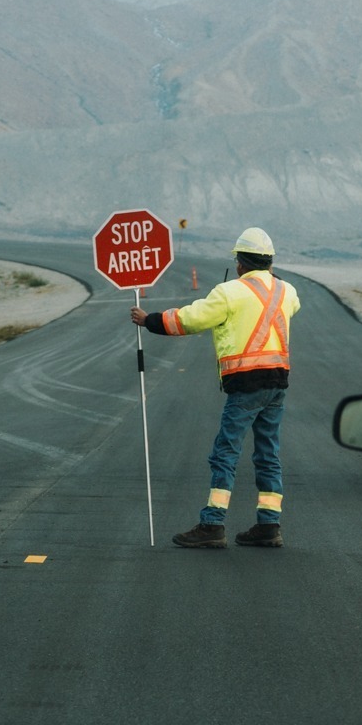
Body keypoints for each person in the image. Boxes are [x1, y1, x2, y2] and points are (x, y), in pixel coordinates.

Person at [130, 227, 300, 549]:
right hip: (277, 384)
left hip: (246, 384)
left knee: (225, 453)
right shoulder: (286, 292)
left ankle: (213, 524)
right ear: (270, 262)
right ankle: (269, 524)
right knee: (268, 454)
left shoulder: (228, 293)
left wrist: (149, 320)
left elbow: (189, 320)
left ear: (239, 263)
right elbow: (291, 307)